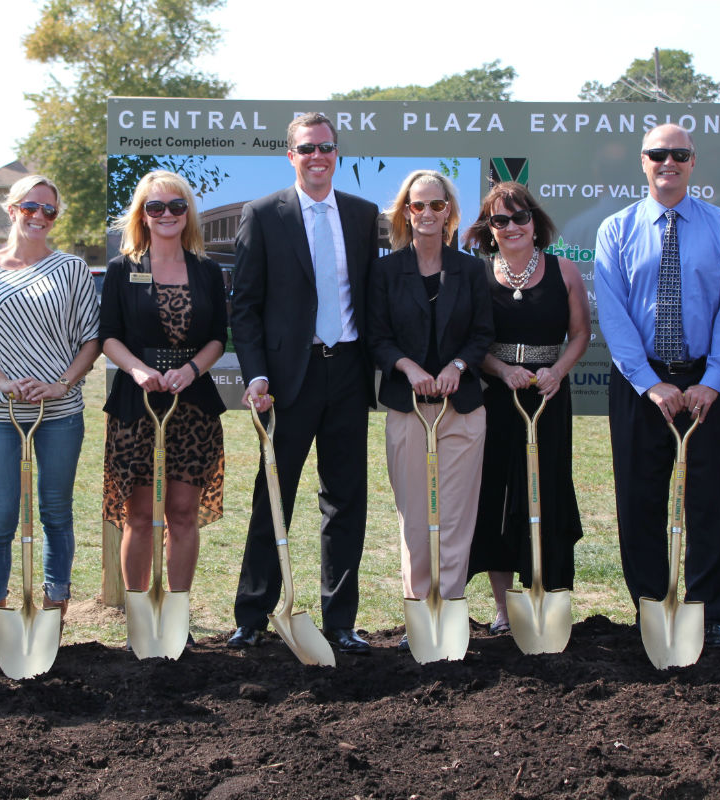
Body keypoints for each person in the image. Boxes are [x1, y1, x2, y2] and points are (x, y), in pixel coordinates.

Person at [228, 112, 381, 653]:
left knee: (345, 501)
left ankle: (340, 621)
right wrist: (257, 373)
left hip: (349, 372)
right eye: (308, 148)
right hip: (286, 379)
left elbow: (369, 296)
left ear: (337, 154)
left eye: (327, 148)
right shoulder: (263, 214)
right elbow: (244, 306)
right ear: (290, 155)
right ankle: (252, 615)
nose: (318, 157)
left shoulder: (362, 215)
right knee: (273, 496)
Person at [594, 123, 720, 649]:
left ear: (692, 161)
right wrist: (649, 382)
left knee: (706, 501)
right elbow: (613, 313)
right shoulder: (616, 229)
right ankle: (651, 608)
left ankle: (707, 613)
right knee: (639, 499)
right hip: (640, 385)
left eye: (679, 154)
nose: (669, 162)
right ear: (643, 161)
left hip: (705, 383)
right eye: (658, 153)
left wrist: (713, 380)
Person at [0, 175, 100, 661]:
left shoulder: (72, 269)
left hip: (59, 413)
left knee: (55, 512)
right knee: (0, 517)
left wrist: (62, 383)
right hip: (1, 413)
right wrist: (1, 381)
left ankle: (52, 615)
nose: (40, 216)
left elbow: (91, 339)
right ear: (11, 208)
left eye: (49, 210)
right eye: (30, 207)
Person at [367, 170, 493, 652]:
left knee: (456, 519)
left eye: (436, 205)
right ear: (405, 212)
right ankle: (419, 614)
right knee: (416, 521)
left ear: (449, 212)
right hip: (409, 409)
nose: (426, 213)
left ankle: (450, 612)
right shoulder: (385, 272)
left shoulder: (471, 270)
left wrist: (458, 366)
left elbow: (482, 334)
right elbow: (377, 337)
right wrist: (409, 368)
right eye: (417, 206)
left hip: (462, 409)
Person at [465, 182, 589, 635]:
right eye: (500, 220)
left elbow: (580, 334)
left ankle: (548, 601)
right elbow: (469, 343)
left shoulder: (564, 270)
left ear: (535, 222)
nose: (512, 226)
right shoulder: (477, 275)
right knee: (497, 498)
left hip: (549, 398)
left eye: (520, 217)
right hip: (497, 400)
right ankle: (504, 610)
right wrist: (501, 369)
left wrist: (557, 371)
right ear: (489, 228)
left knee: (547, 492)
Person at [101, 170, 227, 610]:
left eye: (176, 206)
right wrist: (137, 371)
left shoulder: (207, 270)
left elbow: (218, 338)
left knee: (182, 514)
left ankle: (176, 616)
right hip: (136, 405)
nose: (166, 214)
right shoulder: (122, 269)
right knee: (138, 516)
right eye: (156, 207)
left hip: (192, 406)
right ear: (143, 214)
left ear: (187, 213)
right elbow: (108, 336)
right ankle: (139, 617)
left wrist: (192, 370)